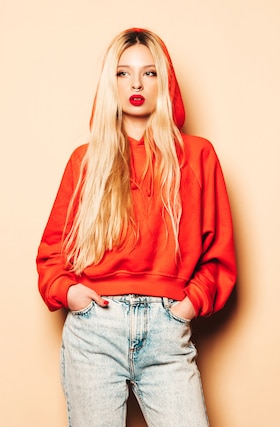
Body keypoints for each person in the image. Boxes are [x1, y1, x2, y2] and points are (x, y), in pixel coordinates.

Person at [36, 28, 236, 426]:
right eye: (123, 74)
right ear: (110, 84)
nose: (137, 84)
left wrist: (189, 305)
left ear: (166, 82)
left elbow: (219, 258)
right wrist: (71, 293)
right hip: (95, 331)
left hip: (167, 329)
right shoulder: (86, 162)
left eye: (149, 73)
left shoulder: (198, 157)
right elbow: (51, 255)